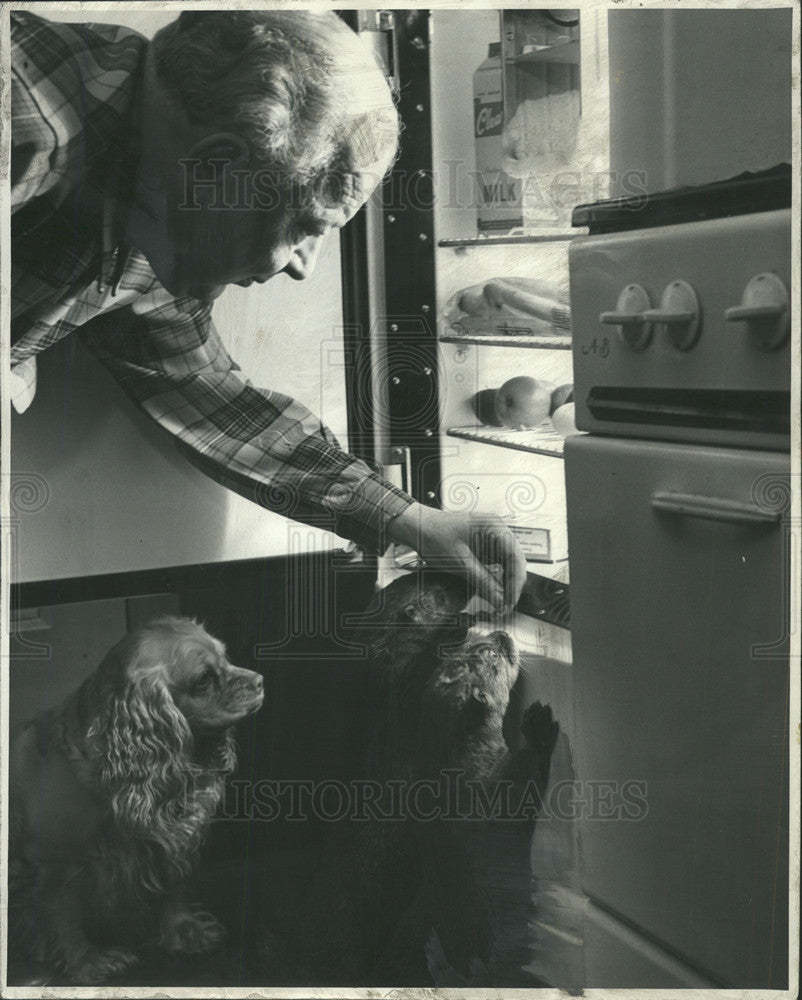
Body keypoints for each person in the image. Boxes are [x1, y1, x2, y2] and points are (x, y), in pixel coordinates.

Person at [10, 10, 527, 613]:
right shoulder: (25, 113)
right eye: (307, 226)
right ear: (213, 169)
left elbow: (212, 400)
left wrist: (409, 519)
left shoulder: (159, 212)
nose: (303, 265)